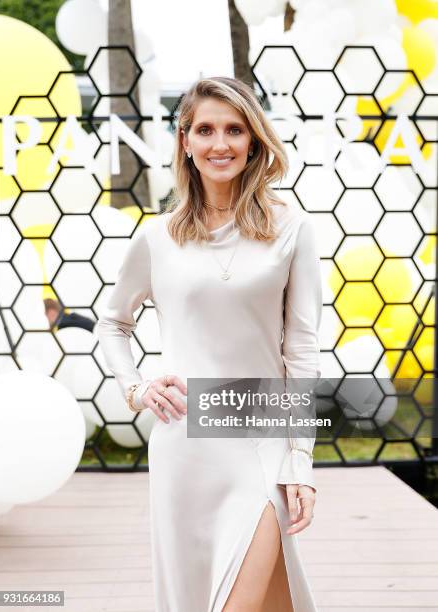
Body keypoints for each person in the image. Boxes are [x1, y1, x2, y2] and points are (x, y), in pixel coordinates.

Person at [97, 76, 322, 612]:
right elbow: (112, 324)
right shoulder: (157, 237)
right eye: (205, 130)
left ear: (253, 141)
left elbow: (302, 350)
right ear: (185, 141)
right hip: (185, 447)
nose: (220, 143)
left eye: (234, 130)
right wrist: (137, 389)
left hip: (262, 438)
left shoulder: (291, 228)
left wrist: (301, 462)